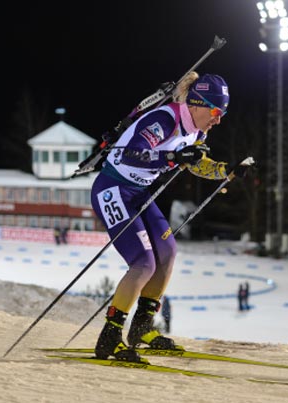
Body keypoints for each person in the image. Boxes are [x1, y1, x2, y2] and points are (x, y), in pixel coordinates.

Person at [91, 72, 253, 362]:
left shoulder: (198, 130)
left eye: (223, 113)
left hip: (138, 191)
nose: (219, 119)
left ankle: (141, 329)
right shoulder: (165, 120)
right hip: (113, 188)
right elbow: (130, 154)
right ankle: (109, 337)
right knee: (143, 262)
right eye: (216, 112)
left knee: (167, 252)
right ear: (198, 104)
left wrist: (226, 169)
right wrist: (172, 158)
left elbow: (196, 163)